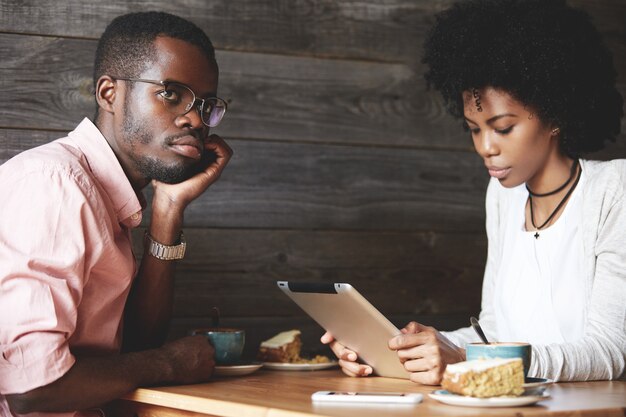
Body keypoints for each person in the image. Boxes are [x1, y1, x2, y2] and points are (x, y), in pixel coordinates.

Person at [323, 0, 625, 384]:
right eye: (474, 128)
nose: (485, 147)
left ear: (556, 116)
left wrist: (465, 358)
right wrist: (405, 348)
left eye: (502, 128)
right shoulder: (503, 196)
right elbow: (493, 333)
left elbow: (608, 352)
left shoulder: (614, 190)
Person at [0, 11, 233, 416]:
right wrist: (172, 362)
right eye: (171, 93)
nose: (195, 120)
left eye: (206, 105)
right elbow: (34, 388)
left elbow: (132, 353)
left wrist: (168, 209)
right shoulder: (57, 184)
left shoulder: (108, 197)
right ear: (109, 94)